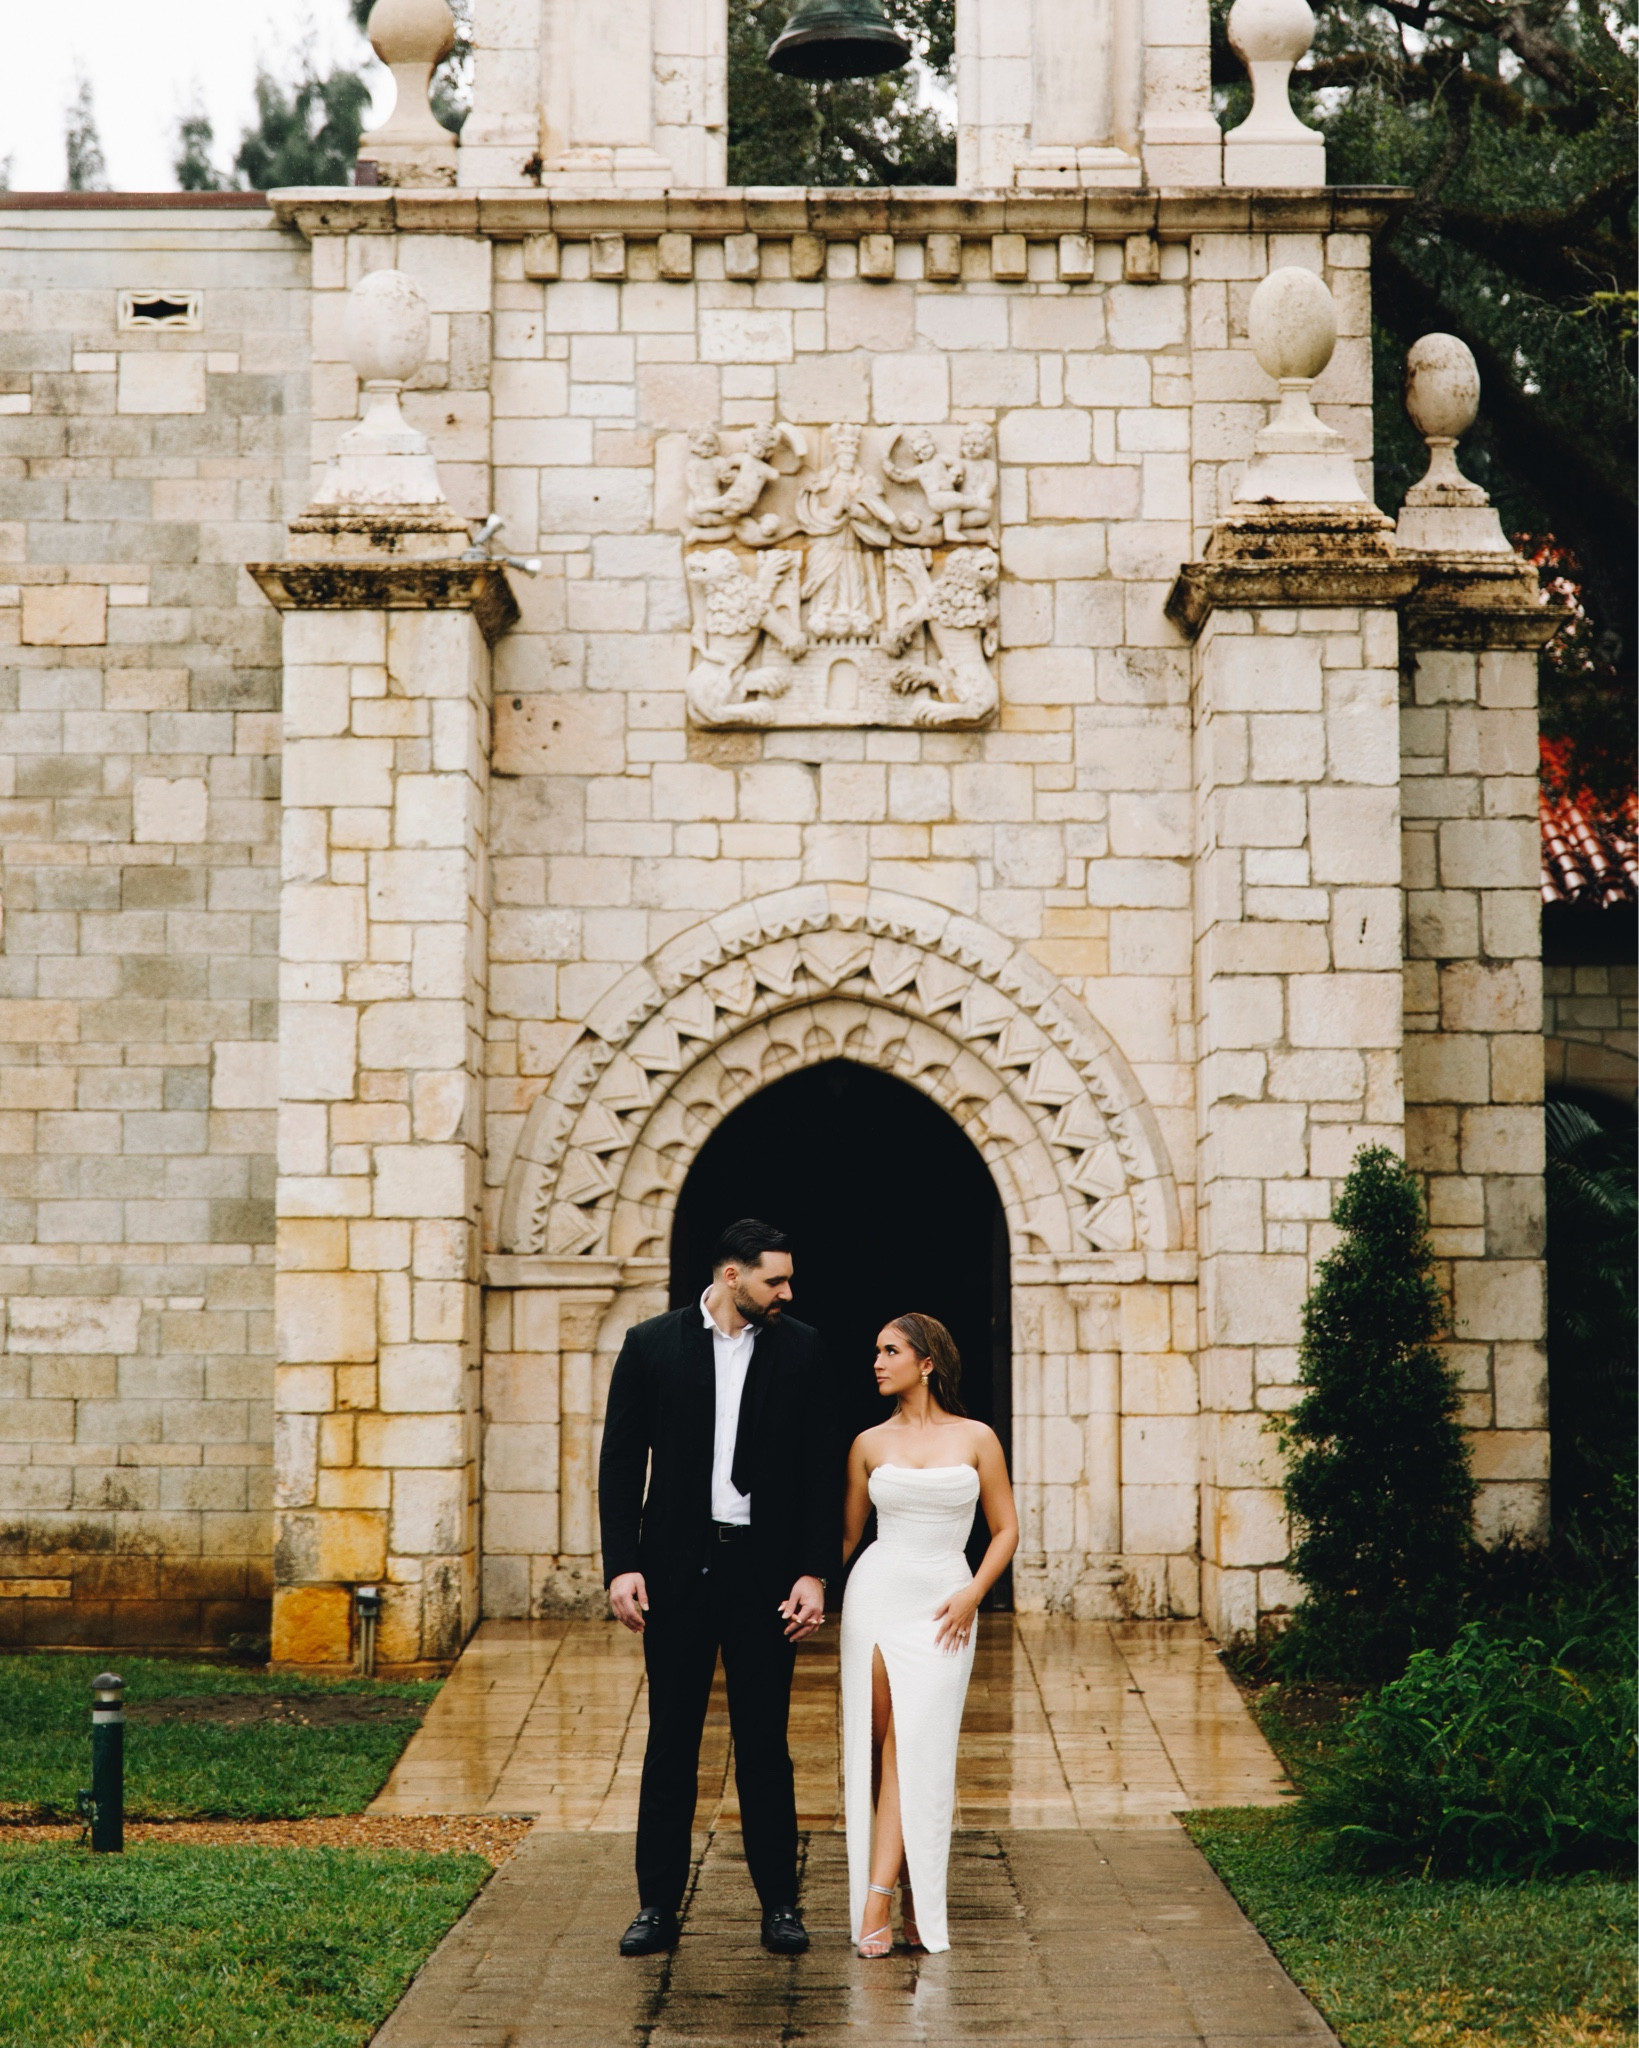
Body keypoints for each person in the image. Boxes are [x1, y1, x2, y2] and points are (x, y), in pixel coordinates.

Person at [599, 1218, 838, 1959]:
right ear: (731, 1276)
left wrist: (814, 1571)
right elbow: (618, 1464)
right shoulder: (650, 1345)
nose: (786, 1292)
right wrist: (621, 1564)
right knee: (671, 1740)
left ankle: (779, 1906)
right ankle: (655, 1907)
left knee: (764, 1742)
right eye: (775, 1280)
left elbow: (818, 1470)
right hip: (675, 1571)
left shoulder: (801, 1347)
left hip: (763, 1575)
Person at [839, 1313, 1018, 1956]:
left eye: (890, 1351)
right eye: (876, 1351)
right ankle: (902, 1896)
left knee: (915, 1746)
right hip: (877, 1598)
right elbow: (847, 1538)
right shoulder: (866, 1443)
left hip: (946, 1604)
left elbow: (1005, 1531)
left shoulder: (977, 1438)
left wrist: (973, 1593)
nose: (878, 1362)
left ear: (927, 1362)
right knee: (888, 1744)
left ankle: (877, 1900)